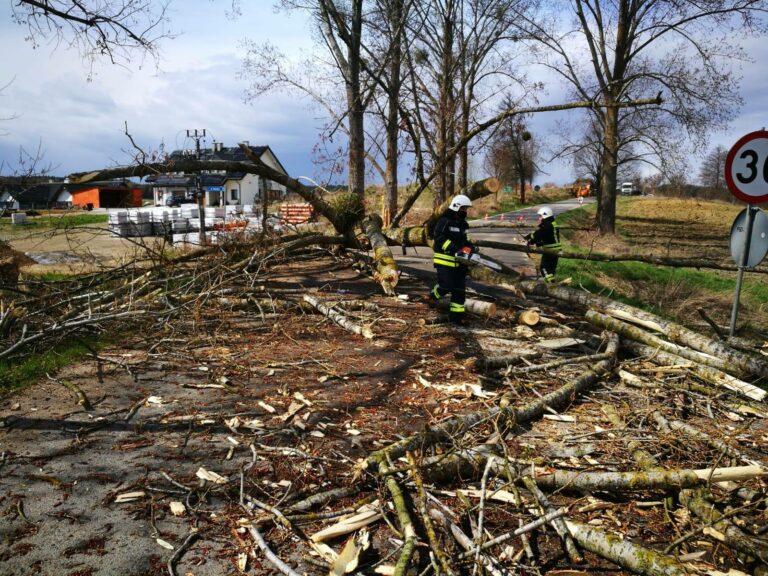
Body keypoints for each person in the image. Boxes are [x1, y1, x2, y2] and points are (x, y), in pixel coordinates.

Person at [430, 194, 476, 325]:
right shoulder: (444, 221)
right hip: (444, 261)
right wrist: (455, 249)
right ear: (456, 207)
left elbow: (467, 240)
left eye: (466, 209)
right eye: (463, 208)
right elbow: (439, 239)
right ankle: (432, 296)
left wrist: (470, 248)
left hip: (460, 264)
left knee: (459, 292)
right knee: (446, 286)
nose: (465, 211)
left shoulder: (464, 225)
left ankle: (456, 318)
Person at [525, 206, 561, 282]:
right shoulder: (552, 223)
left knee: (544, 268)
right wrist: (537, 243)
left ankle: (550, 284)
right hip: (556, 250)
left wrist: (530, 237)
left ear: (545, 215)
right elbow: (549, 237)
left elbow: (539, 234)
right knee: (550, 269)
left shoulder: (547, 225)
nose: (539, 218)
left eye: (540, 216)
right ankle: (551, 284)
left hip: (550, 250)